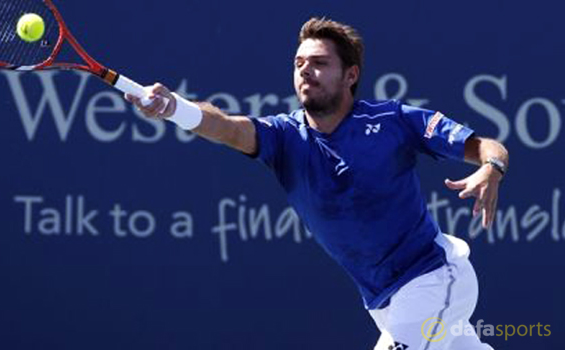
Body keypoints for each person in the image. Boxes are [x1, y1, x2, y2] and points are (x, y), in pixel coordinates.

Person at [126, 17, 507, 350]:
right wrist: (175, 107)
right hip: (383, 302)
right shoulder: (283, 137)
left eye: (320, 63)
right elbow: (225, 127)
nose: (306, 71)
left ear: (351, 75)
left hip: (433, 278)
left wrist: (491, 166)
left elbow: (488, 146)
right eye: (299, 63)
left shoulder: (394, 121)